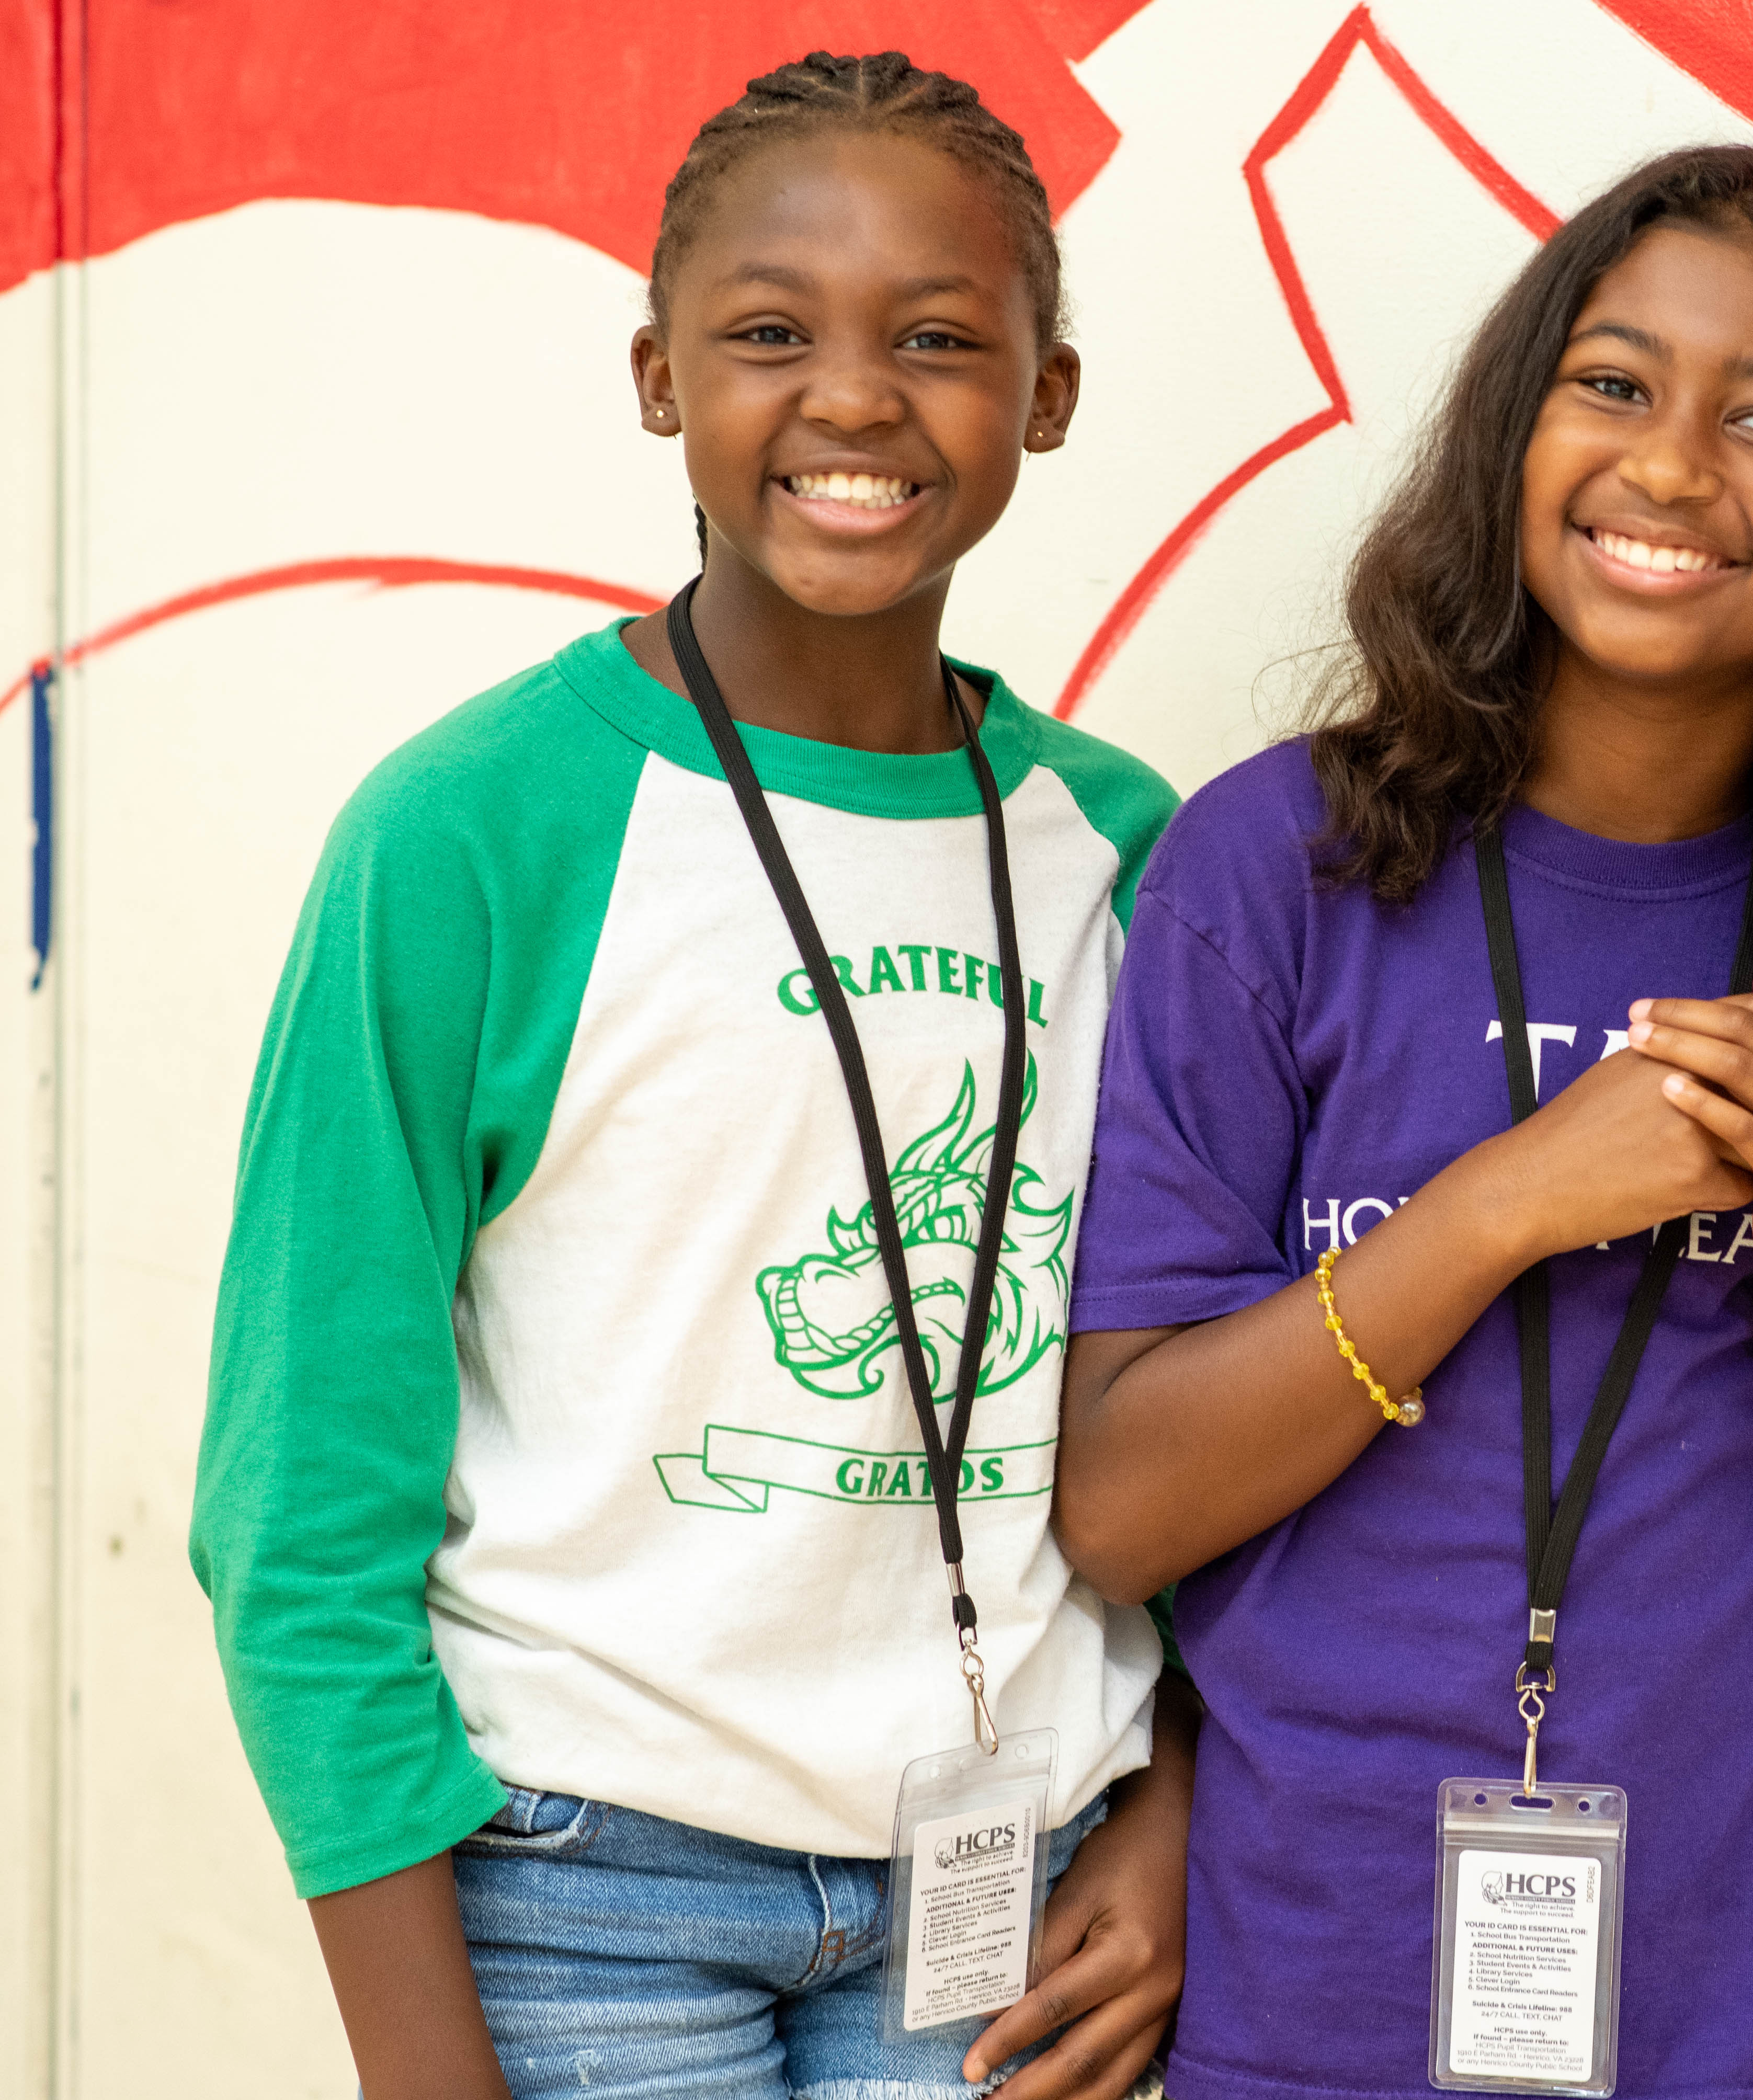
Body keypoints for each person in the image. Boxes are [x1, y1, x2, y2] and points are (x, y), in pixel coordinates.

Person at [191, 52, 1189, 2100]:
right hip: (578, 1890)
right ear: (658, 378)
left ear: (1050, 393)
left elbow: (1209, 1406)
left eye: (938, 338)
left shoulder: (1139, 850)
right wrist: (418, 2053)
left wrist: (1180, 1817)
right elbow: (300, 1494)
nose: (850, 396)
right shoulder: (475, 830)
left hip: (1009, 1890)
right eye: (766, 333)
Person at [1050, 147, 1753, 2100]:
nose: (1671, 467)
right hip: (1320, 1969)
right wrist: (1502, 1205)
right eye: (1615, 383)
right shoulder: (1277, 867)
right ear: (1514, 425)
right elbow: (1124, 1500)